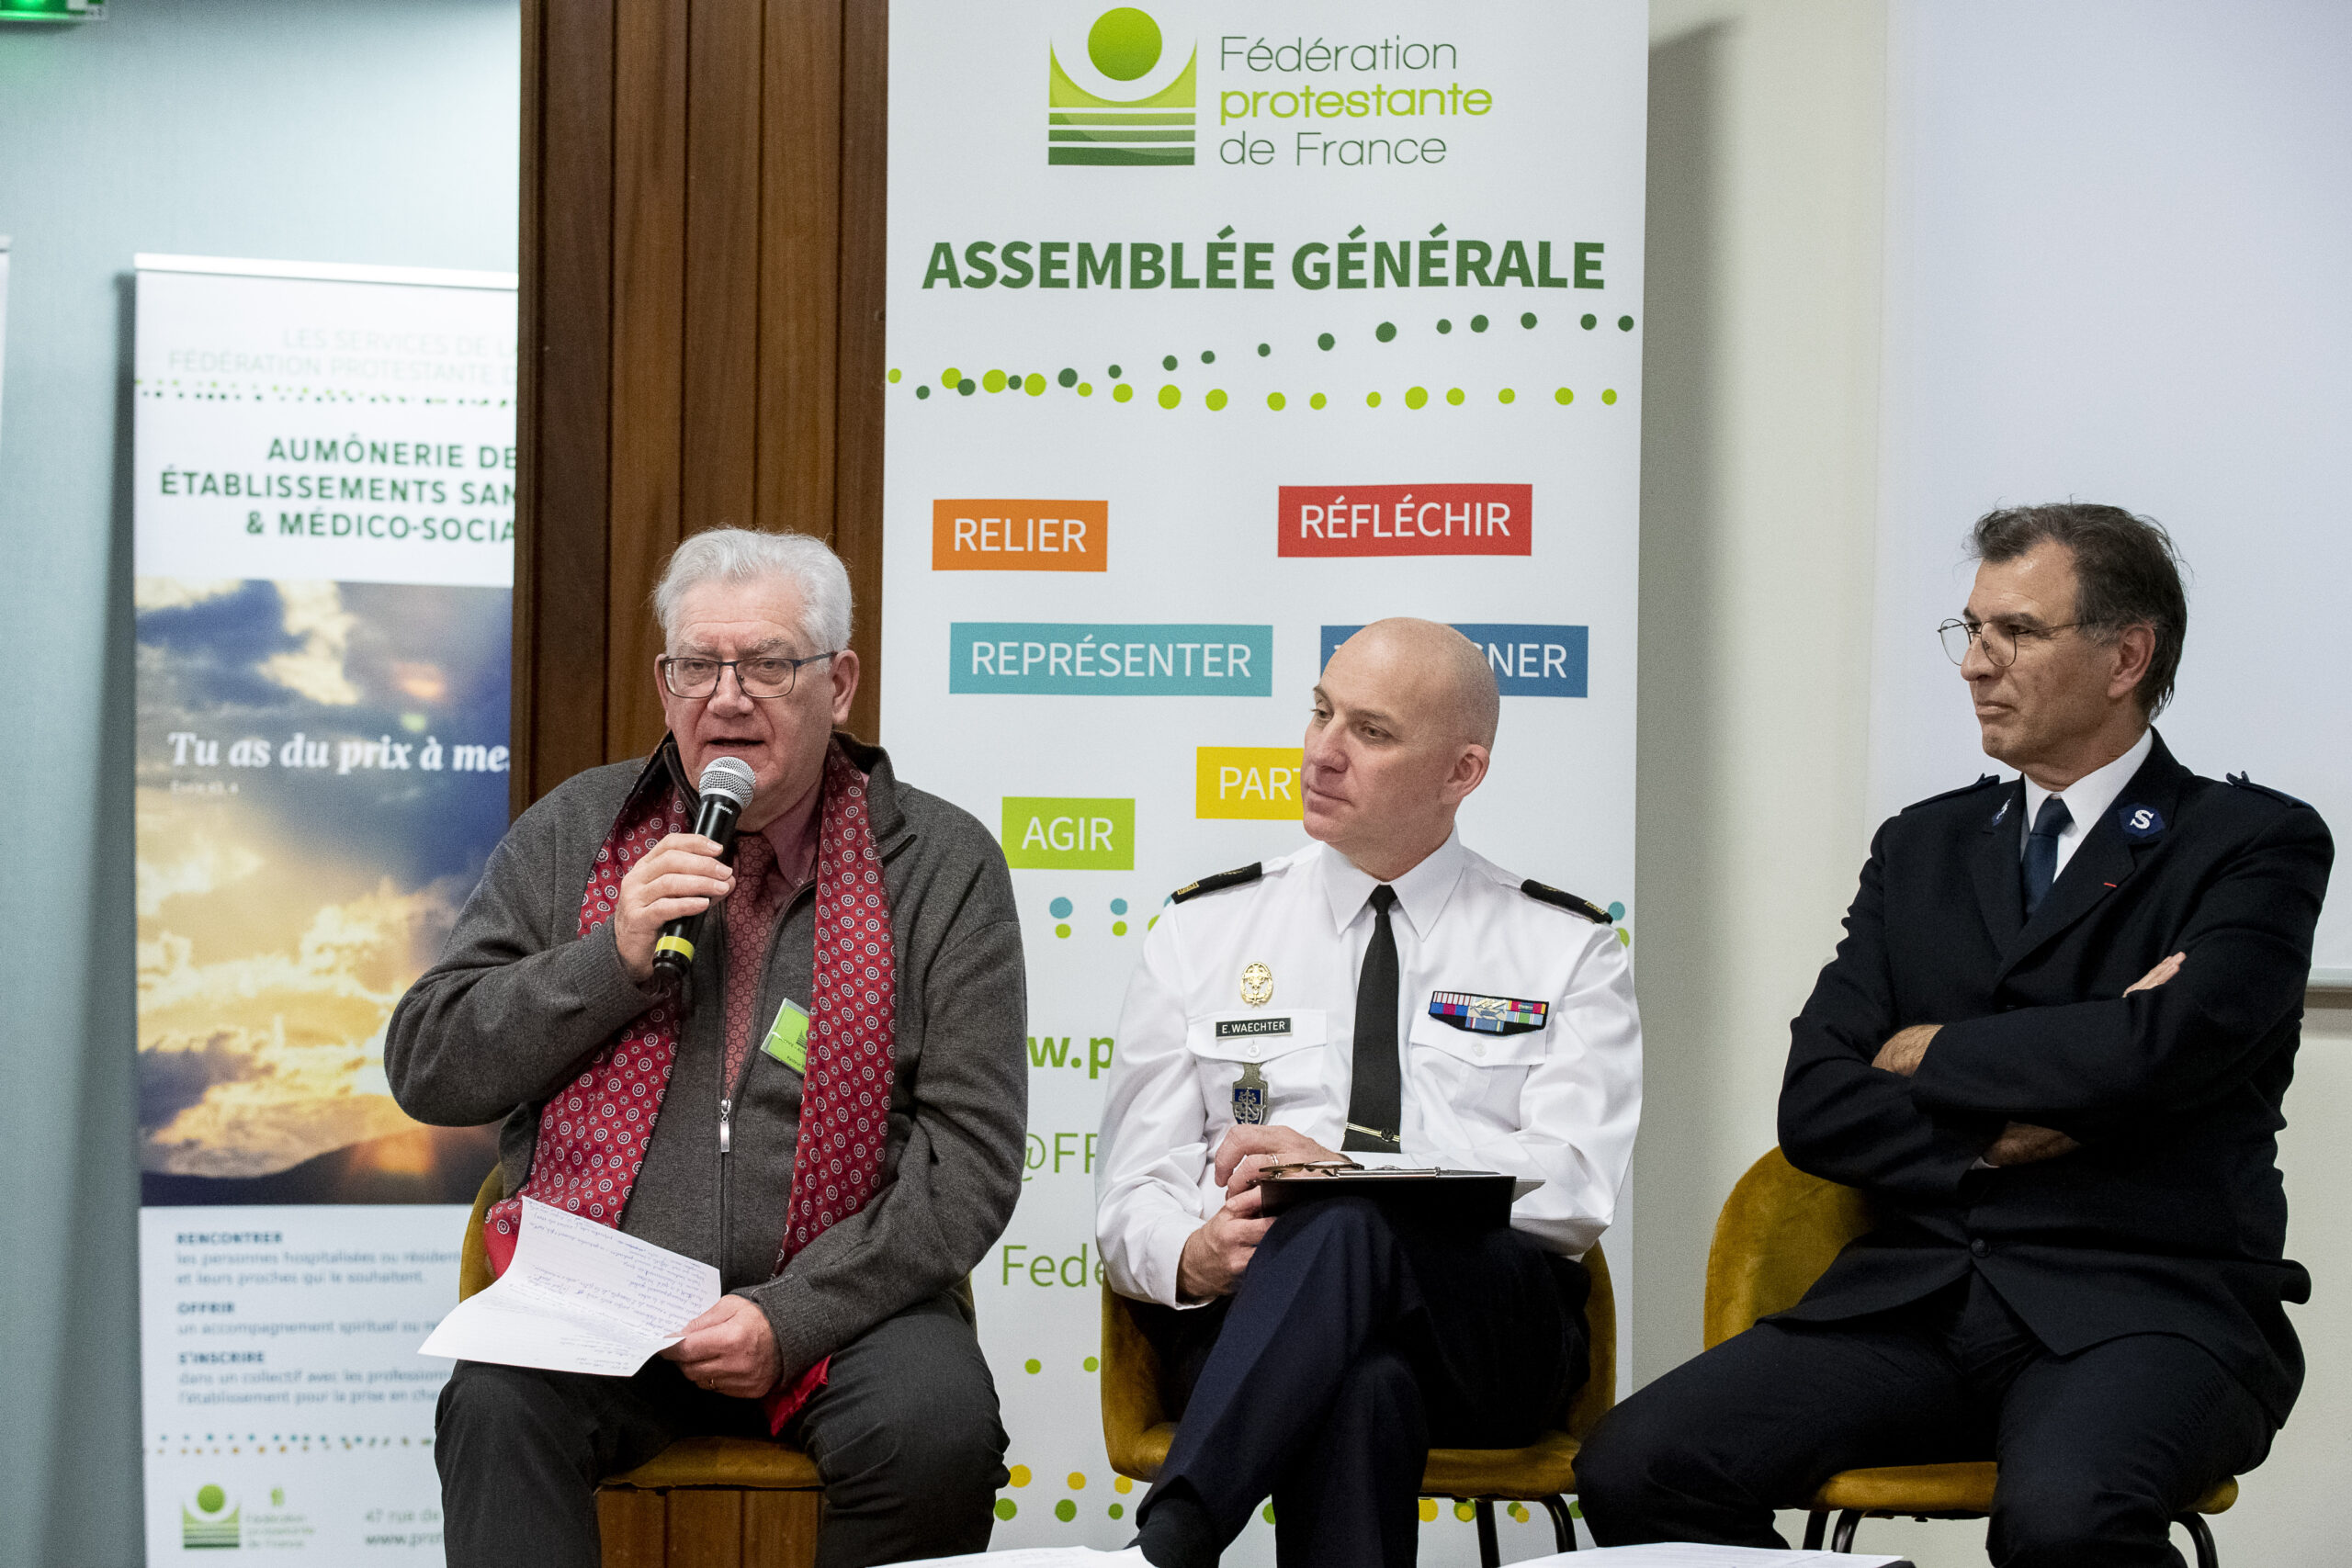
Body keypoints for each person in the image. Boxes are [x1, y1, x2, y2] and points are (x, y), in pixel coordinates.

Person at [1577, 503, 2333, 1566]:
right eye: (1970, 631)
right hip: (1915, 1301)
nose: (1976, 663)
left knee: (2065, 1524)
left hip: (2144, 1309)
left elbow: (2162, 1051)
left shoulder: (2252, 842)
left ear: (2126, 657)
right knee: (1637, 1464)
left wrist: (1929, 1052)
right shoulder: (1921, 845)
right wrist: (2026, 1110)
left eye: (2015, 632)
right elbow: (1816, 1103)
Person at [386, 528, 1028, 1568]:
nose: (727, 698)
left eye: (767, 664)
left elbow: (971, 1161)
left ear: (839, 684)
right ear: (665, 683)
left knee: (936, 1429)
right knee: (495, 1408)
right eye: (697, 666)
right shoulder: (577, 832)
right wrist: (608, 960)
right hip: (601, 1297)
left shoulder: (941, 865)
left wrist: (791, 1315)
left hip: (845, 1305)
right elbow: (428, 1063)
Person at [1095, 617, 1643, 1568]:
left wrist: (1350, 1170)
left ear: (1462, 771)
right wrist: (1193, 1254)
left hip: (1485, 1329)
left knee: (1346, 1220)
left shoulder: (1567, 946)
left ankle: (1170, 1544)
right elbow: (1131, 1192)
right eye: (1320, 713)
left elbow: (1571, 1189)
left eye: (1371, 731)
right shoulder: (1202, 931)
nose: (1322, 751)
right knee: (1362, 1385)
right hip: (1255, 1321)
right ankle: (1176, 1541)